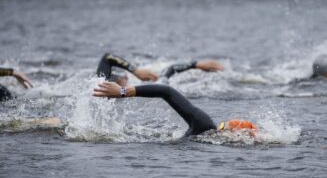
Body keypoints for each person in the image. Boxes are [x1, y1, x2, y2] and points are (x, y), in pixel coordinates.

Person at [92, 81, 258, 137]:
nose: (221, 126)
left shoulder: (205, 128)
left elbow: (167, 91)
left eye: (223, 126)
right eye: (223, 125)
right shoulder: (205, 124)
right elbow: (166, 91)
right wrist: (121, 91)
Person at [96, 53, 224, 87]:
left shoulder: (140, 82)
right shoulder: (100, 86)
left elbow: (108, 57)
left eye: (124, 77)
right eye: (122, 79)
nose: (124, 79)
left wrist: (136, 71)